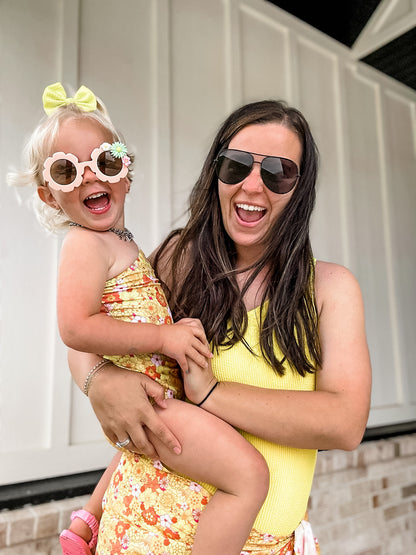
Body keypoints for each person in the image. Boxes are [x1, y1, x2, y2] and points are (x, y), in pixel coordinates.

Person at [68, 98, 372, 554]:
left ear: (300, 189)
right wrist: (99, 380)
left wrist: (212, 393)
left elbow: (345, 423)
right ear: (216, 173)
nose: (253, 185)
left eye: (278, 172)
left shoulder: (330, 288)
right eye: (235, 166)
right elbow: (90, 330)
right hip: (145, 525)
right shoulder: (178, 259)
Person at [8, 83, 272, 555]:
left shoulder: (123, 244)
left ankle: (87, 521)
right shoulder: (84, 245)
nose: (92, 179)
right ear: (50, 197)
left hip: (158, 395)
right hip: (156, 399)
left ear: (126, 173)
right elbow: (75, 327)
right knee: (249, 475)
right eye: (68, 171)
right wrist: (164, 337)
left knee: (137, 448)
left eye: (105, 163)